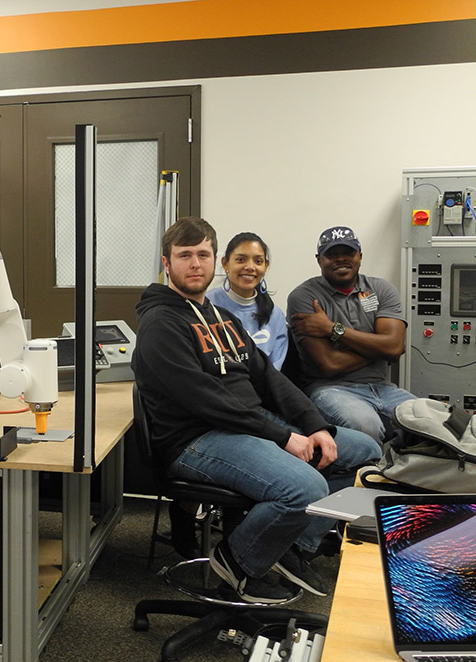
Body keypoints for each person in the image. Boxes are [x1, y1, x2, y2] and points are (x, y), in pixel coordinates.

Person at [132, 217, 381, 604]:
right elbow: (206, 401)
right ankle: (237, 561)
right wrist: (282, 435)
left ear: (215, 260)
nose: (195, 263)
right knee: (305, 487)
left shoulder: (222, 319)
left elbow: (270, 379)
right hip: (196, 439)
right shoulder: (160, 325)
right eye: (184, 256)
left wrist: (313, 424)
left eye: (203, 254)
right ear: (167, 264)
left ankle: (290, 545)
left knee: (363, 452)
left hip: (243, 426)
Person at [287, 226, 415, 444]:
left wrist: (331, 329)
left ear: (360, 256)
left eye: (348, 253)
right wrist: (382, 348)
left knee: (431, 420)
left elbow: (393, 347)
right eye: (332, 255)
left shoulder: (381, 289)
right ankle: (367, 476)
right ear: (319, 260)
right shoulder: (304, 297)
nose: (341, 259)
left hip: (383, 388)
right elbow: (329, 364)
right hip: (331, 389)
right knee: (365, 425)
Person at [205, 232, 288, 370]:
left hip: (261, 389)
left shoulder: (275, 315)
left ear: (265, 266)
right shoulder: (206, 305)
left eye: (258, 261)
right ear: (225, 263)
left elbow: (274, 373)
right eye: (241, 260)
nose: (250, 267)